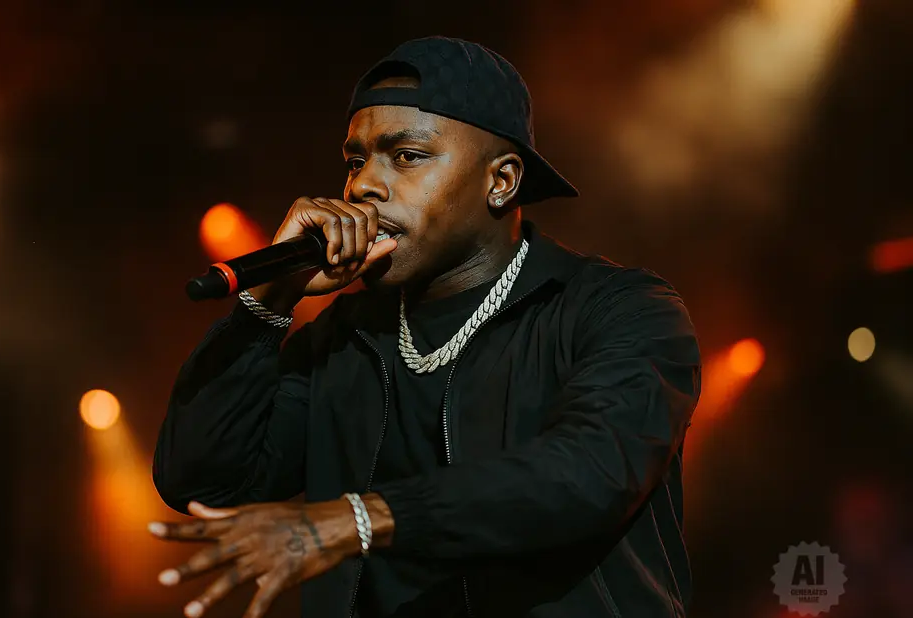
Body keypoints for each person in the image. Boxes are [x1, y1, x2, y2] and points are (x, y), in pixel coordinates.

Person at [150, 36, 701, 618]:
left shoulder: (620, 309)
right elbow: (203, 483)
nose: (363, 186)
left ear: (502, 181)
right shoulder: (344, 337)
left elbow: (588, 472)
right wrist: (266, 303)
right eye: (356, 161)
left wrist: (360, 518)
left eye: (406, 156)